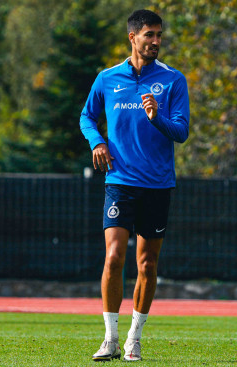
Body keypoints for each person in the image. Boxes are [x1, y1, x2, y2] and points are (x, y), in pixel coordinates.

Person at [79, 9, 190, 362]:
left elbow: (182, 132)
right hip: (120, 181)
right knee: (113, 257)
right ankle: (110, 338)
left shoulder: (173, 80)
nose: (156, 41)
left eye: (159, 35)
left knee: (147, 265)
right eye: (149, 35)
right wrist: (97, 141)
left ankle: (133, 338)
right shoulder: (108, 78)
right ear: (133, 37)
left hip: (157, 185)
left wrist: (158, 118)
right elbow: (86, 116)